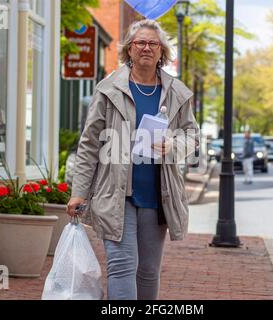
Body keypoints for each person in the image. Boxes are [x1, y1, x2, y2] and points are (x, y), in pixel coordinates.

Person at [66, 19, 199, 300]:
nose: (147, 48)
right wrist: (78, 192)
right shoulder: (108, 89)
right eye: (140, 43)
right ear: (129, 49)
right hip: (116, 195)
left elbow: (193, 136)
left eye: (153, 43)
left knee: (149, 270)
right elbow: (90, 144)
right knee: (122, 266)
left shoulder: (177, 93)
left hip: (157, 196)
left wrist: (173, 146)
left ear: (162, 51)